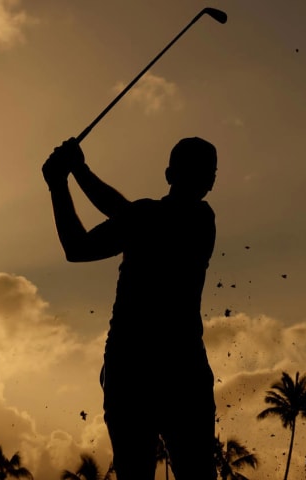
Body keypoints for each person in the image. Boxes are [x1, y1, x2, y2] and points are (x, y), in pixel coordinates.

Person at [42, 136, 218, 479]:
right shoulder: (176, 219)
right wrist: (69, 177)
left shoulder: (181, 218)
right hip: (177, 369)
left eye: (208, 172)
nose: (208, 179)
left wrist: (65, 178)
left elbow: (93, 235)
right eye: (206, 172)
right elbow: (105, 227)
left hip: (135, 367)